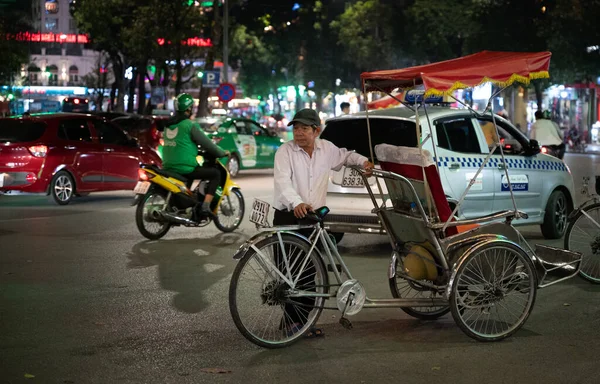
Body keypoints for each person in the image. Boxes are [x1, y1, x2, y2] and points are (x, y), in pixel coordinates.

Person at [273, 108, 374, 337]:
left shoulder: (326, 149)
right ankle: (294, 322)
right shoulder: (285, 152)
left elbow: (347, 156)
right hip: (288, 214)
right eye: (296, 128)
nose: (298, 133)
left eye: (304, 129)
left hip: (314, 216)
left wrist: (365, 162)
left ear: (316, 131)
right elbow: (282, 181)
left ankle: (296, 324)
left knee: (309, 274)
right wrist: (297, 202)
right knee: (289, 273)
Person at [161, 93, 228, 220]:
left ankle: (187, 204)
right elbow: (207, 144)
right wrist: (221, 152)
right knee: (215, 174)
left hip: (167, 166)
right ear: (189, 109)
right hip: (184, 168)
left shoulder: (168, 125)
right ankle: (206, 206)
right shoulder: (189, 125)